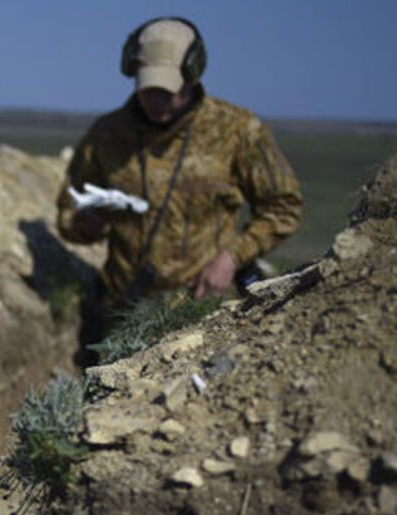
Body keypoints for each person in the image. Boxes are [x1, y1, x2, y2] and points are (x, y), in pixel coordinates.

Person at [56, 17, 302, 326]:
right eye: (149, 89)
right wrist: (84, 224)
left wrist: (233, 257)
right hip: (122, 314)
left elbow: (283, 206)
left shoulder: (237, 131)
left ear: (193, 74)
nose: (157, 101)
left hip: (204, 314)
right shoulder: (107, 135)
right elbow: (69, 209)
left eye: (168, 90)